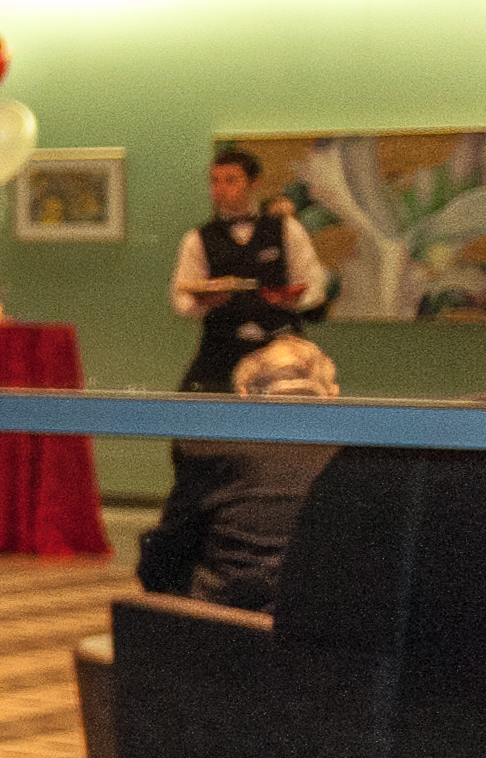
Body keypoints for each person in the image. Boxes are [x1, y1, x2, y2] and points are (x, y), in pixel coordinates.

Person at [137, 332, 342, 608]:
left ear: (244, 394)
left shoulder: (213, 449)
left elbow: (163, 556)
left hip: (227, 615)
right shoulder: (351, 454)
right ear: (332, 394)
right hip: (324, 615)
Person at [170, 145, 326, 392]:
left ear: (254, 183)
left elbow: (314, 284)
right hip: (220, 354)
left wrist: (295, 300)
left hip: (281, 351)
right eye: (215, 181)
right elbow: (181, 300)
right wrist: (204, 302)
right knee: (190, 412)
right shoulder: (197, 239)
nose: (220, 189)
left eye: (230, 180)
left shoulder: (286, 229)